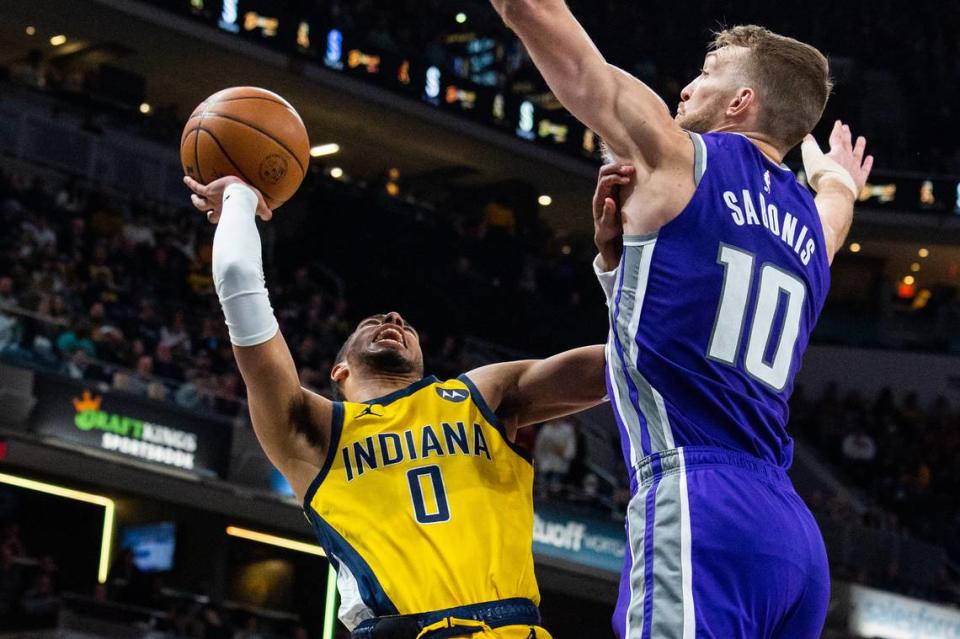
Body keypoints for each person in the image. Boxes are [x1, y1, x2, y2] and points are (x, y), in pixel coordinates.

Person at [489, 4, 874, 637]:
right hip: (793, 537)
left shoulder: (677, 158)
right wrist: (838, 182)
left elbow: (559, 43)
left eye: (707, 71)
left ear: (740, 101)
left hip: (701, 501)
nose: (687, 86)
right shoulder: (812, 227)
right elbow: (835, 210)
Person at [183, 174, 609, 639]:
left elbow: (622, 366)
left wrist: (617, 263)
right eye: (372, 321)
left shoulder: (476, 396)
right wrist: (240, 198)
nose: (393, 318)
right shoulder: (316, 429)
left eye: (403, 322)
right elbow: (238, 281)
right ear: (339, 371)